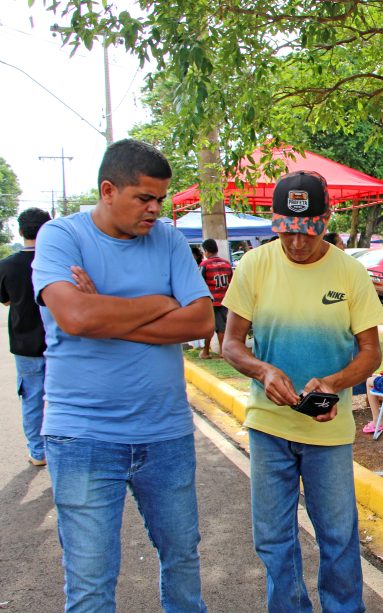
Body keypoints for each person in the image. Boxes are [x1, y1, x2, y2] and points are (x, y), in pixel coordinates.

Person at [31, 139, 214, 612]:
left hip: (165, 433)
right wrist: (159, 304)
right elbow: (76, 318)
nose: (155, 209)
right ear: (108, 190)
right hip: (83, 436)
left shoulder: (170, 239)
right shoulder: (61, 237)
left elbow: (199, 322)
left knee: (183, 562)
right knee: (91, 580)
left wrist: (107, 314)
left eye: (161, 199)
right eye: (144, 198)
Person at [221, 170, 383, 612]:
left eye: (308, 232)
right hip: (268, 426)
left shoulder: (350, 272)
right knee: (274, 539)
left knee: (337, 536)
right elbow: (230, 344)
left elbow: (371, 353)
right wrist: (262, 371)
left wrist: (333, 383)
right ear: (276, 223)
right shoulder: (254, 265)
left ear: (326, 219)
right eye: (288, 231)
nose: (297, 243)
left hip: (327, 432)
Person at [0, 207, 52, 466]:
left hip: (24, 344)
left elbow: (7, 301)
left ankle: (38, 452)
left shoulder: (6, 265)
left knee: (31, 400)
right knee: (61, 400)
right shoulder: (56, 261)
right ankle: (59, 449)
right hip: (58, 343)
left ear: (20, 231)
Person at [199, 238, 233, 359]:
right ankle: (223, 351)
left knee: (208, 327)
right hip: (224, 299)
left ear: (206, 251)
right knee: (222, 327)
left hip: (210, 301)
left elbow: (200, 282)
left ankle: (205, 352)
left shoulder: (205, 265)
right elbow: (231, 281)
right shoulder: (226, 263)